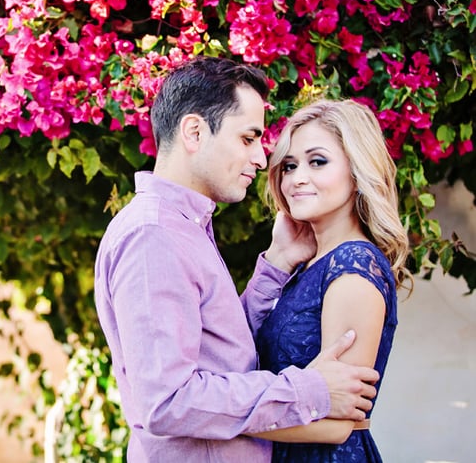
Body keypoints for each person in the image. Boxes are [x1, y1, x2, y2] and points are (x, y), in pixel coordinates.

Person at [94, 57, 379, 463]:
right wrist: (309, 391)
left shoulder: (182, 229)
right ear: (194, 131)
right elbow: (167, 401)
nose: (262, 160)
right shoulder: (153, 236)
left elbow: (221, 356)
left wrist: (276, 265)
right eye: (248, 139)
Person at [254, 99, 413, 462]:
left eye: (317, 161)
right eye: (289, 166)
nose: (296, 178)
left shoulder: (354, 263)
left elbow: (337, 422)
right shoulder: (308, 264)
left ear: (357, 173)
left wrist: (211, 418)